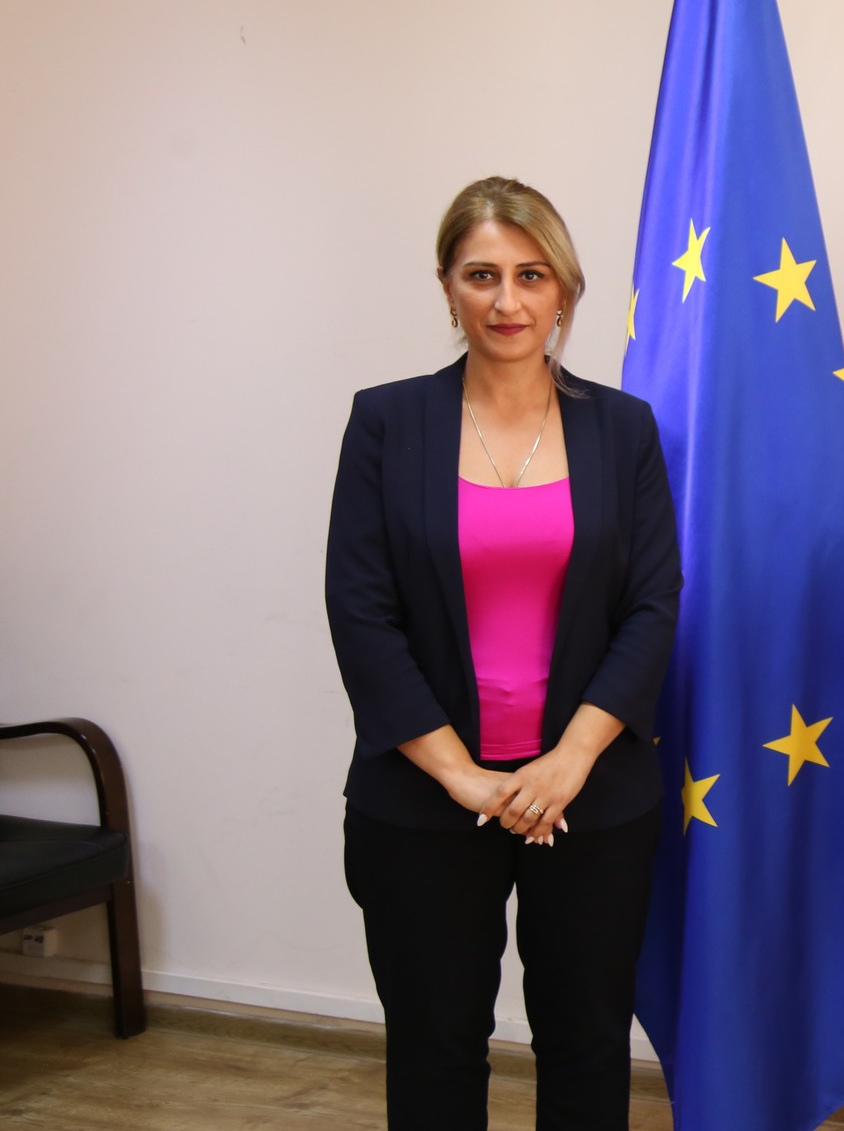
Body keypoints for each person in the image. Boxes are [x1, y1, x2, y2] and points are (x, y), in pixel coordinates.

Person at [325, 177, 681, 1131]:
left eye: (531, 275)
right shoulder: (386, 422)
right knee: (435, 1045)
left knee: (587, 1044)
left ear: (564, 289)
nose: (507, 300)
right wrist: (461, 775)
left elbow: (652, 605)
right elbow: (360, 613)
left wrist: (568, 760)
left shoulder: (624, 428)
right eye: (481, 274)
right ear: (448, 287)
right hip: (423, 798)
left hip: (592, 795)